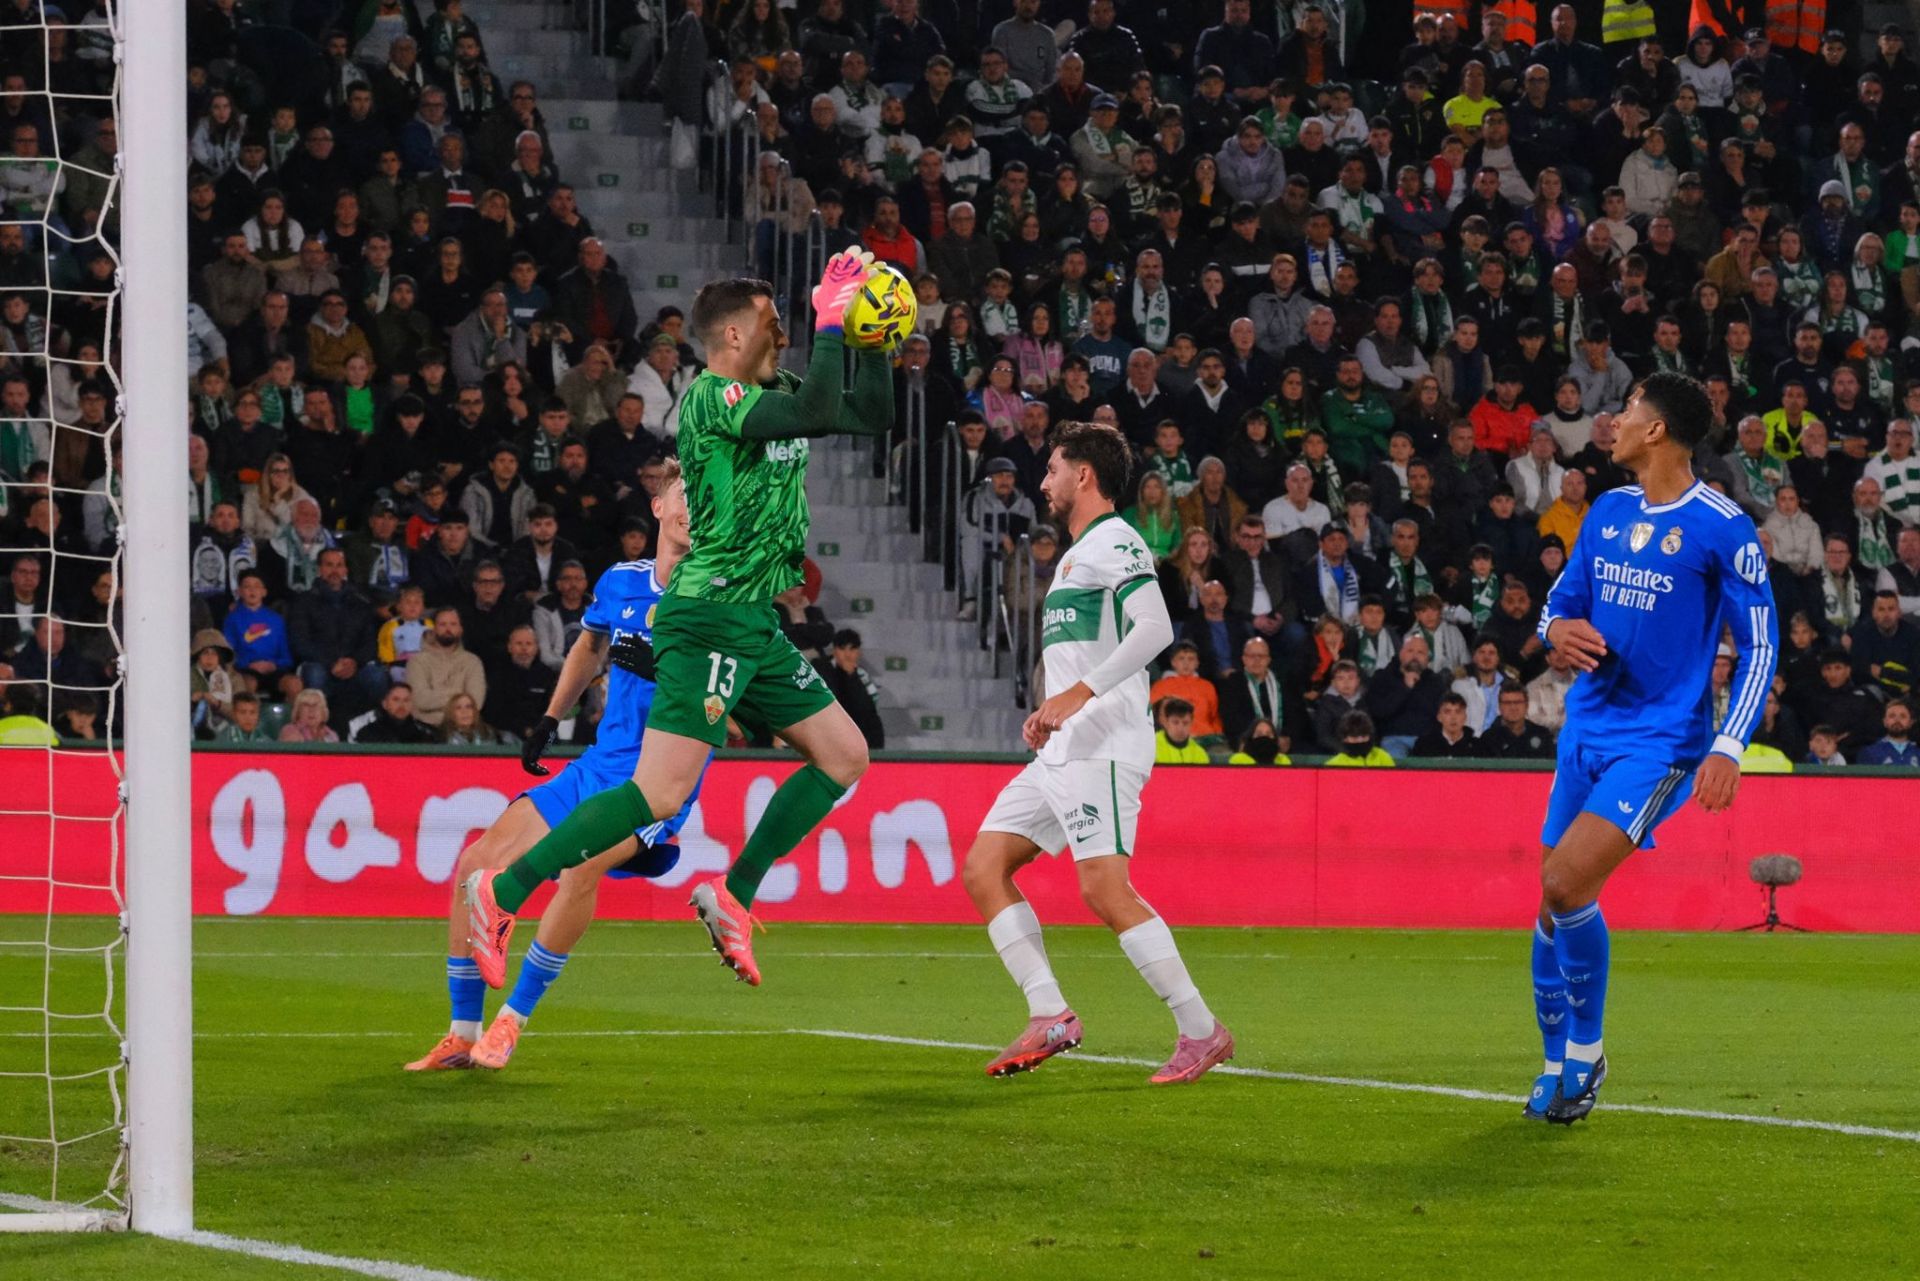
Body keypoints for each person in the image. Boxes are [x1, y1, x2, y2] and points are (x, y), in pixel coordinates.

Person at [464, 253, 894, 991]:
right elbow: (821, 408)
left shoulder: (777, 390)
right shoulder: (711, 398)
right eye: (771, 317)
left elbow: (868, 414)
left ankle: (733, 894)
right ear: (731, 334)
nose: (784, 327)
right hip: (706, 613)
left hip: (752, 618)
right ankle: (500, 894)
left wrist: (878, 334)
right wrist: (833, 319)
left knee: (845, 753)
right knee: (660, 794)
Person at [1523, 371, 1777, 1125]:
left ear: (1658, 430)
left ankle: (1589, 1053)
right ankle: (1552, 1062)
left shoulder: (1722, 526)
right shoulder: (1606, 512)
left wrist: (1729, 743)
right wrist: (1553, 633)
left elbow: (1759, 642)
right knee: (1549, 902)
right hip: (1586, 731)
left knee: (1568, 884)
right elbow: (1558, 604)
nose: (1614, 419)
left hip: (1661, 742)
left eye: (1628, 408)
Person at [409, 465, 712, 1071]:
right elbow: (591, 645)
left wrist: (662, 665)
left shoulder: (718, 592)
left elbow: (724, 703)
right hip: (600, 761)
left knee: (581, 868)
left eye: (705, 498)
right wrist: (550, 718)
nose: (693, 507)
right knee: (474, 863)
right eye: (684, 494)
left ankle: (511, 1022)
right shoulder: (622, 582)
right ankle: (461, 1034)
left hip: (659, 779)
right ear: (658, 509)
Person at [960, 419, 1233, 1084]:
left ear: (1083, 475)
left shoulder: (1116, 540)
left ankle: (1202, 1030)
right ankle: (1049, 1011)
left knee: (1105, 889)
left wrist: (1076, 695)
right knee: (984, 865)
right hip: (1063, 747)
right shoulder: (1081, 554)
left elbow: (1157, 626)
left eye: (1052, 468)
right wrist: (1050, 710)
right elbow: (1088, 648)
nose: (1043, 480)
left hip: (1104, 744)